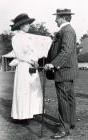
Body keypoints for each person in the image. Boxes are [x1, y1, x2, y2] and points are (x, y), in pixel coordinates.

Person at [45, 9, 78, 139]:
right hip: (66, 70)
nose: (55, 20)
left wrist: (53, 64)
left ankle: (64, 129)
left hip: (63, 71)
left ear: (63, 18)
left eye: (57, 18)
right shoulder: (65, 31)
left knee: (63, 100)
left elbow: (66, 51)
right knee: (69, 98)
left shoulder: (67, 31)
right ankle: (70, 122)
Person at [10, 13, 43, 124]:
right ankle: (22, 116)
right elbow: (19, 54)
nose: (29, 26)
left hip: (33, 66)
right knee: (23, 91)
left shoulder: (29, 37)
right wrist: (31, 61)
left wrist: (36, 61)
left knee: (32, 90)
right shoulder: (16, 38)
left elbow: (34, 52)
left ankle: (30, 113)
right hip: (24, 66)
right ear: (20, 25)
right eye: (26, 24)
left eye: (29, 24)